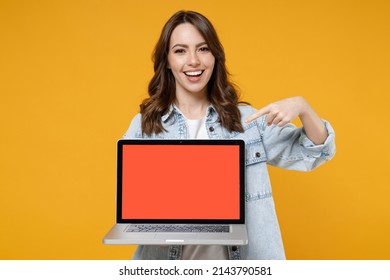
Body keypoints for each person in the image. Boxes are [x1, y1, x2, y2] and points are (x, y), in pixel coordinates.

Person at [123, 10, 336, 260]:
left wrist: (302, 106)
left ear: (215, 56)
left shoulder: (248, 121)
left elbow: (314, 151)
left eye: (203, 49)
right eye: (180, 51)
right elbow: (135, 212)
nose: (193, 61)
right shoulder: (145, 126)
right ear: (167, 60)